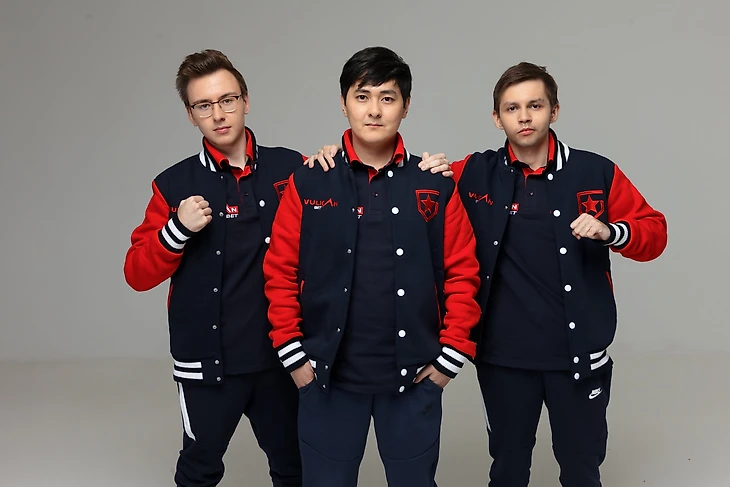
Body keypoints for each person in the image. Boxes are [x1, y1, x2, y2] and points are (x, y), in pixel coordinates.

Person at [314, 61, 668, 487]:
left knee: (581, 468)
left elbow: (655, 233)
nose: (524, 117)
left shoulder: (595, 172)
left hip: (578, 355)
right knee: (507, 468)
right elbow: (407, 178)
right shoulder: (472, 173)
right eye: (512, 108)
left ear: (554, 111)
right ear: (497, 118)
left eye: (535, 105)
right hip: (503, 358)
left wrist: (611, 232)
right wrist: (333, 159)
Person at [262, 46, 481, 487]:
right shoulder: (311, 179)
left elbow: (462, 273)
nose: (374, 110)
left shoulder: (434, 183)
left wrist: (448, 362)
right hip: (325, 377)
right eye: (362, 97)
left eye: (387, 97)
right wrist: (293, 357)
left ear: (406, 106)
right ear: (344, 104)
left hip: (415, 378)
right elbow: (280, 270)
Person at [123, 49, 312, 487]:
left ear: (246, 100)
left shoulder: (292, 167)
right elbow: (136, 274)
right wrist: (176, 229)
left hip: (282, 356)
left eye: (227, 100)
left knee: (296, 467)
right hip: (208, 365)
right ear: (191, 115)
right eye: (204, 105)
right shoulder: (174, 184)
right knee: (199, 469)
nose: (218, 115)